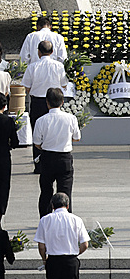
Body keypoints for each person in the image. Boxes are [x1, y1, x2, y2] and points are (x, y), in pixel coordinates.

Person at [35, 192, 89, 279]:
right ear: (68, 205)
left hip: (53, 261)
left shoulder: (45, 220)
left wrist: (44, 260)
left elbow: (41, 246)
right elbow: (85, 244)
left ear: (52, 205)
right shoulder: (76, 219)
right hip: (71, 261)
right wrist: (75, 253)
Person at [22, 40, 68, 171]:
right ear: (52, 52)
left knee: (37, 132)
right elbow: (64, 84)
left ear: (38, 52)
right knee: (54, 130)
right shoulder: (59, 66)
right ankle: (54, 162)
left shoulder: (32, 67)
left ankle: (39, 164)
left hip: (37, 101)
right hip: (55, 101)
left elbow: (27, 86)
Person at [34, 87, 81, 217]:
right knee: (65, 192)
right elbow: (77, 138)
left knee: (46, 192)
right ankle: (65, 219)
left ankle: (45, 218)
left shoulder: (41, 120)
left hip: (48, 157)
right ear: (62, 102)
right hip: (64, 158)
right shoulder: (71, 118)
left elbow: (37, 143)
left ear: (47, 102)